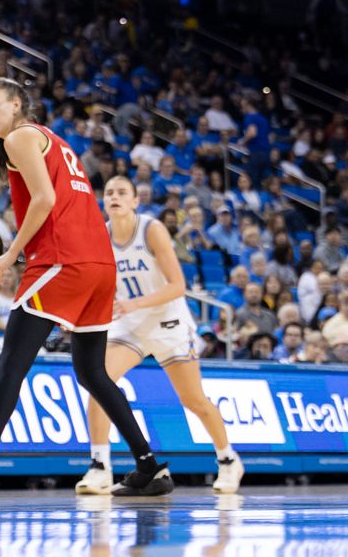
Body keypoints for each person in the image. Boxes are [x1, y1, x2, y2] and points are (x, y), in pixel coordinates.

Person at [0, 78, 173, 500]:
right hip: (99, 265)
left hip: (63, 261)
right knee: (92, 373)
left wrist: (10, 254)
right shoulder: (56, 141)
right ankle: (149, 466)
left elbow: (43, 200)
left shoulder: (22, 137)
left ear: (17, 105)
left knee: (11, 364)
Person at [77, 175, 244, 495]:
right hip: (130, 323)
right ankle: (99, 467)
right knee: (99, 384)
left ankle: (228, 459)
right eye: (109, 192)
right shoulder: (102, 234)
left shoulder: (151, 229)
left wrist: (132, 304)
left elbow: (177, 286)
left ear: (135, 201)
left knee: (192, 399)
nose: (114, 197)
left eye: (122, 192)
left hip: (168, 320)